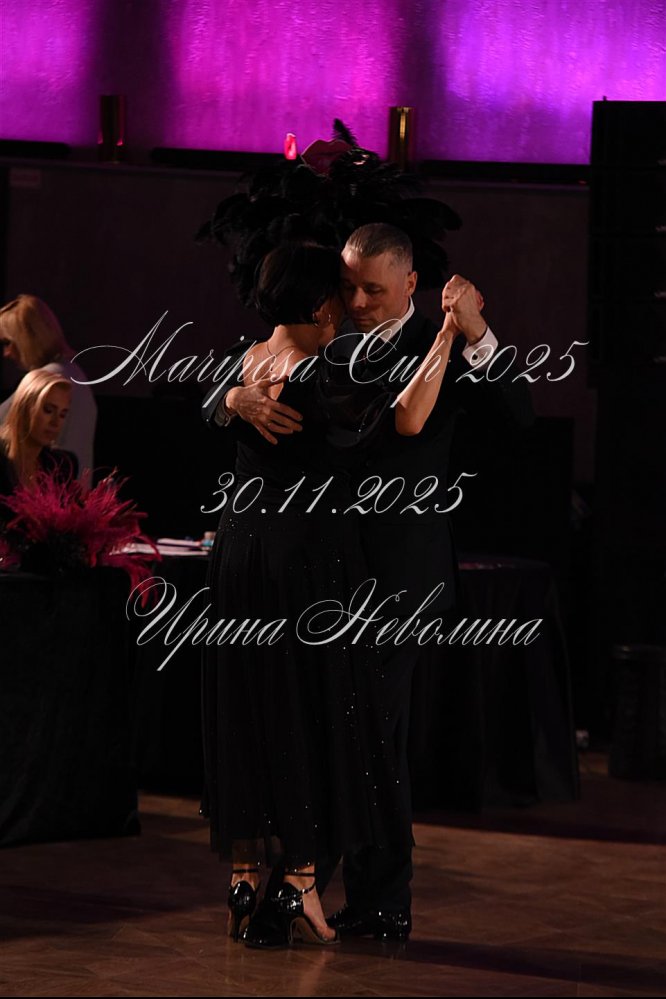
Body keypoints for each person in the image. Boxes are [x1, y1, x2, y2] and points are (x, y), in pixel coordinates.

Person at [203, 223, 534, 940]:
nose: (355, 302)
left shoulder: (439, 342)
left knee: (367, 735)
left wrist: (476, 334)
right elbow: (230, 378)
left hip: (396, 575)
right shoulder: (320, 342)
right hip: (318, 572)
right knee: (325, 726)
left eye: (372, 290)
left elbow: (517, 412)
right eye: (347, 286)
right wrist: (232, 398)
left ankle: (350, 895)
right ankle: (312, 889)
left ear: (410, 283)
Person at [0, 295, 96, 486]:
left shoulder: (52, 379)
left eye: (8, 342)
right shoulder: (72, 373)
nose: (6, 353)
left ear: (28, 337)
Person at [0, 368, 78, 505]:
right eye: (48, 410)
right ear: (24, 406)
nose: (55, 422)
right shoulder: (2, 460)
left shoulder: (61, 465)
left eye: (62, 414)